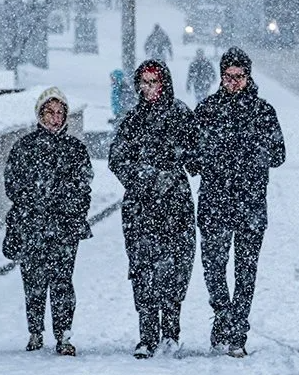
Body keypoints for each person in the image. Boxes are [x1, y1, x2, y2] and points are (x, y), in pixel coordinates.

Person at [188, 46, 286, 358]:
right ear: (221, 77)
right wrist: (210, 157)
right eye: (228, 76)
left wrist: (250, 157)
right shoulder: (206, 110)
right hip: (215, 203)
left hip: (250, 205)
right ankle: (223, 316)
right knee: (213, 269)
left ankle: (237, 328)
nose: (233, 82)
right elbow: (191, 159)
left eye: (239, 76)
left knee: (246, 272)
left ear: (248, 76)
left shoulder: (263, 112)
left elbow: (279, 154)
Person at [108, 59, 198, 359]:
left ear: (164, 83)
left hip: (176, 205)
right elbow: (117, 159)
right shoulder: (132, 121)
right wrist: (143, 177)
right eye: (143, 83)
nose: (148, 89)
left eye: (153, 82)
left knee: (176, 267)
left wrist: (173, 170)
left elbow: (196, 154)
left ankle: (171, 331)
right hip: (141, 208)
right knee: (143, 269)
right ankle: (146, 333)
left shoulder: (181, 115)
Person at [3, 86, 93, 356]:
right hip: (32, 225)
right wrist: (35, 202)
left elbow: (84, 187)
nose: (55, 118)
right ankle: (35, 330)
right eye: (49, 112)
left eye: (59, 112)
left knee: (63, 281)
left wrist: (69, 208)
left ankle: (64, 334)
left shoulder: (75, 149)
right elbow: (12, 186)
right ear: (39, 114)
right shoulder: (24, 147)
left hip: (64, 227)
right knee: (33, 279)